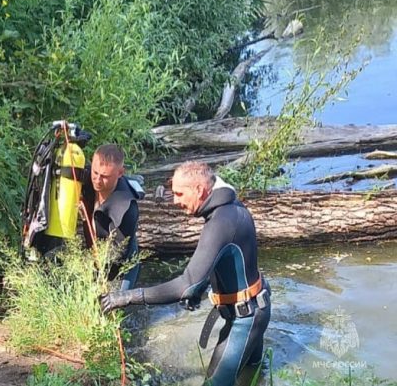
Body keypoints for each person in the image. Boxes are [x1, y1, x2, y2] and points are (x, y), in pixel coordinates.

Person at [100, 161, 271, 386]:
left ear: (199, 190)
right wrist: (201, 289)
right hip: (255, 304)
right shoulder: (228, 208)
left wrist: (127, 297)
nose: (175, 200)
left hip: (245, 318)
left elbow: (185, 285)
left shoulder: (221, 222)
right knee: (255, 374)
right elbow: (226, 260)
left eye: (180, 193)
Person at [82, 144, 142, 291]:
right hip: (95, 248)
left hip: (121, 263)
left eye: (105, 176)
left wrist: (88, 266)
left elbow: (116, 255)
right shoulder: (89, 176)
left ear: (120, 172)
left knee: (114, 303)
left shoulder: (125, 208)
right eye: (95, 173)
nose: (97, 180)